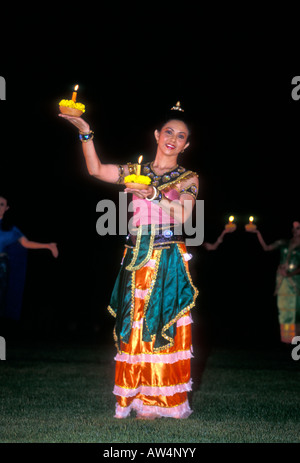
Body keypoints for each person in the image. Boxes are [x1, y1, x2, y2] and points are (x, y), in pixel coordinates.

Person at [59, 102, 199, 419]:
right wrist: (85, 133)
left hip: (166, 258)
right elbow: (96, 170)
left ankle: (159, 401)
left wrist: (152, 195)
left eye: (181, 136)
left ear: (186, 144)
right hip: (136, 258)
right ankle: (136, 396)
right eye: (168, 132)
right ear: (156, 134)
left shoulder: (187, 178)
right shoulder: (135, 172)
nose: (173, 139)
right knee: (133, 328)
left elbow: (185, 215)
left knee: (157, 324)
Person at [0, 195, 58, 321]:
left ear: (7, 208)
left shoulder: (11, 230)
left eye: (2, 204)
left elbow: (26, 243)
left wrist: (48, 246)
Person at [246, 221, 300, 343]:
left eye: (298, 228)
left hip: (296, 281)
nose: (295, 231)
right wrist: (257, 233)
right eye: (294, 228)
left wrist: (291, 273)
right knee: (284, 309)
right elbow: (267, 248)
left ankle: (297, 340)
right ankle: (287, 340)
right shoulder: (284, 243)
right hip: (283, 281)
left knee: (296, 310)